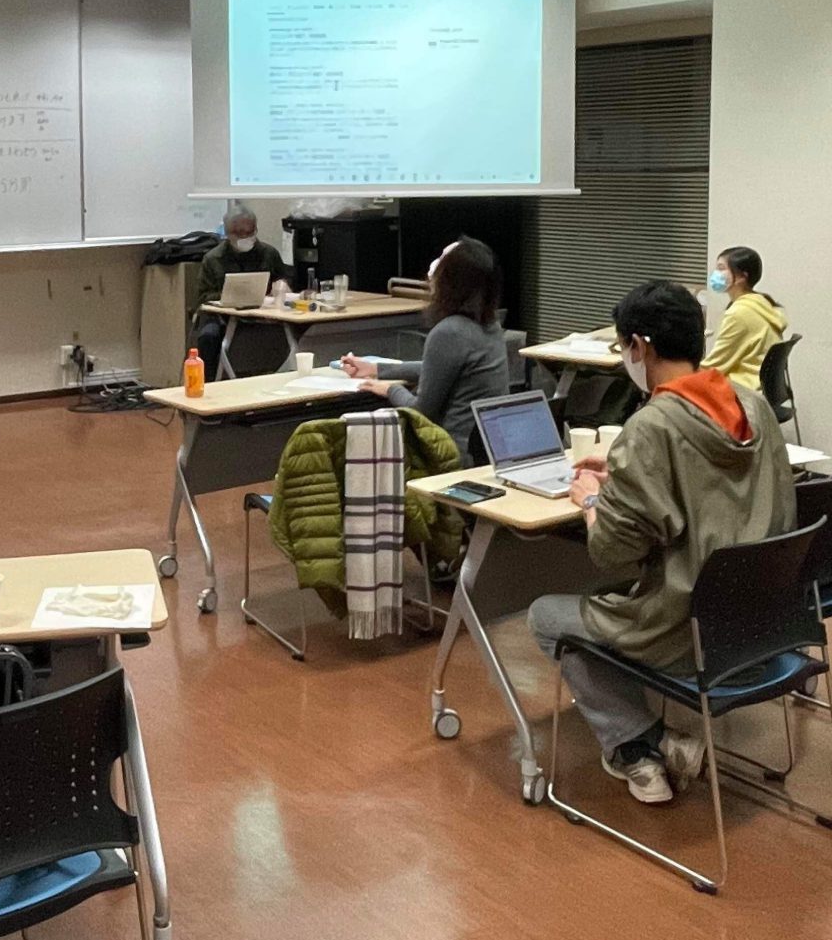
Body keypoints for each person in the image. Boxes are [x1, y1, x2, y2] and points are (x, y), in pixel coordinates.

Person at [527, 280, 795, 805]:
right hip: (762, 621)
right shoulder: (752, 405)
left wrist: (592, 500)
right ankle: (649, 746)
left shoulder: (650, 427)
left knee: (547, 617)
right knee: (602, 608)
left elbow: (613, 553)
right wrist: (631, 476)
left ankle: (642, 742)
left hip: (688, 630)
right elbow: (718, 485)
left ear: (640, 346)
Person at [339, 235, 509, 463]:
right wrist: (376, 369)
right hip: (489, 452)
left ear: (451, 281)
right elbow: (439, 369)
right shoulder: (489, 325)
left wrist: (390, 389)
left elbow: (421, 412)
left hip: (450, 455)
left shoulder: (449, 332)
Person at [192, 201, 290, 378]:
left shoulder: (269, 254)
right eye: (238, 233)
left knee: (293, 332)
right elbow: (202, 297)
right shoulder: (213, 258)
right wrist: (229, 296)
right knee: (208, 336)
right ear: (227, 233)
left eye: (249, 232)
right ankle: (208, 383)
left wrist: (282, 288)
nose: (244, 237)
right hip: (221, 316)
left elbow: (284, 283)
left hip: (264, 314)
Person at [700, 245, 788, 392]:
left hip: (743, 391)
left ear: (742, 277)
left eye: (721, 269)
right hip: (760, 388)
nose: (715, 274)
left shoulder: (739, 313)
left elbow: (714, 367)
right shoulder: (761, 303)